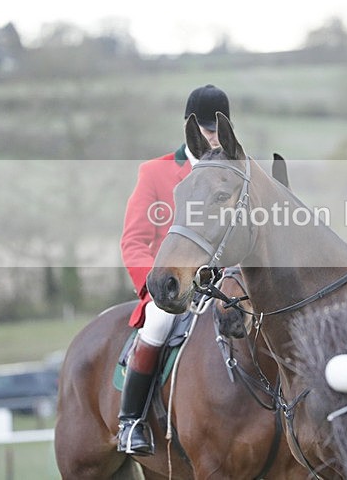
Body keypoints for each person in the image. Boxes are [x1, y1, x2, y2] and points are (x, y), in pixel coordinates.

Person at [117, 84, 230, 455]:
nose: (213, 136)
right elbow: (133, 241)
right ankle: (130, 420)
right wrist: (156, 291)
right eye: (207, 128)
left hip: (223, 283)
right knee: (159, 322)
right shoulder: (156, 173)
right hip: (170, 286)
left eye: (219, 128)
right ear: (189, 126)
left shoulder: (234, 173)